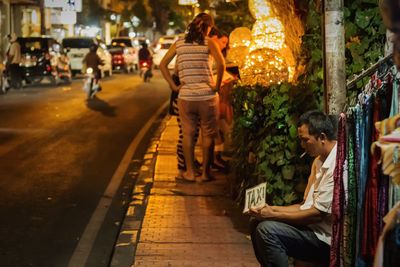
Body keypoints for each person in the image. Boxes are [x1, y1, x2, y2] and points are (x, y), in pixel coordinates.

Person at [249, 110, 337, 266]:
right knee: (255, 222)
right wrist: (271, 209)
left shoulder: (335, 164)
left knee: (267, 230)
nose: (302, 146)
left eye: (305, 140)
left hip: (325, 239)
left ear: (322, 137)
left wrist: (272, 216)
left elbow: (316, 214)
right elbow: (304, 206)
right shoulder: (318, 161)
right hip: (311, 229)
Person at [159, 13, 225, 182]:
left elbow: (162, 65)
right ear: (207, 27)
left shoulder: (179, 43)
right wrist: (216, 87)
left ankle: (189, 173)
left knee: (188, 134)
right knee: (208, 135)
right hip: (207, 97)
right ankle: (205, 174)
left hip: (186, 97)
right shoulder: (209, 42)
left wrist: (174, 86)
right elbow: (221, 64)